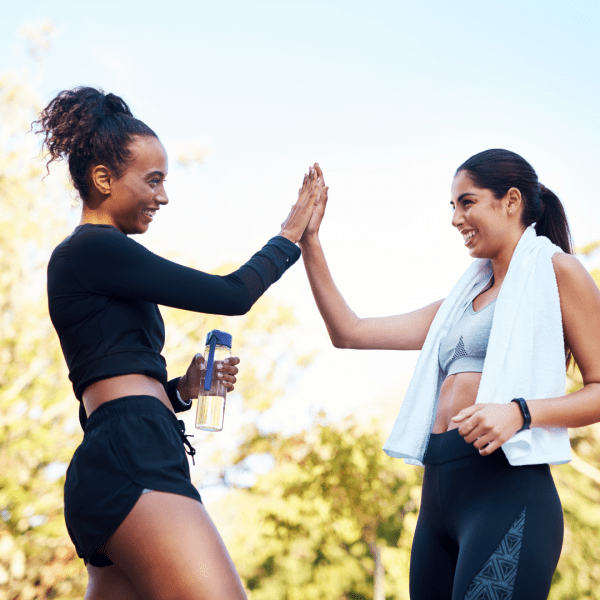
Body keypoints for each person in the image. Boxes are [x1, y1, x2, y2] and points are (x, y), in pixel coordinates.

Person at [35, 86, 324, 600]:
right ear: (103, 179)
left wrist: (183, 390)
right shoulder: (95, 248)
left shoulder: (92, 260)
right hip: (133, 455)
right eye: (153, 180)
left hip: (118, 453)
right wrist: (289, 237)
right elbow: (231, 294)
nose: (163, 197)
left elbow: (109, 387)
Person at [300, 152, 600, 599]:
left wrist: (520, 413)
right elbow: (349, 332)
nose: (456, 218)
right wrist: (310, 242)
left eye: (467, 202)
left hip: (508, 492)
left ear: (511, 201)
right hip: (439, 495)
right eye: (453, 207)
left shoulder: (558, 272)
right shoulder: (457, 306)